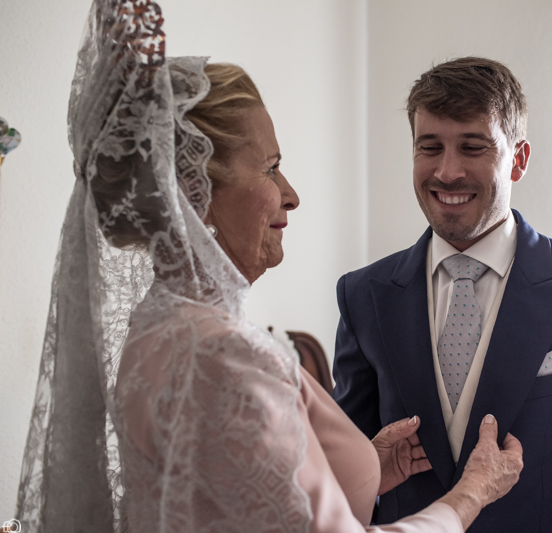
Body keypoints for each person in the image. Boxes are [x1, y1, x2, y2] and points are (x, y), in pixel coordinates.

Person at [14, 4, 522, 532]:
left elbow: (233, 497)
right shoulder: (223, 355)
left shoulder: (156, 327)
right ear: (194, 194)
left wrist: (365, 467)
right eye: (271, 168)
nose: (291, 194)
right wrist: (470, 496)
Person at [332, 57, 552, 532]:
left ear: (518, 159)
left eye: (472, 147)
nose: (447, 171)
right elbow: (340, 481)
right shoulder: (363, 296)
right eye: (429, 147)